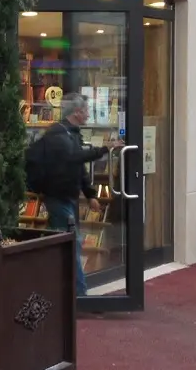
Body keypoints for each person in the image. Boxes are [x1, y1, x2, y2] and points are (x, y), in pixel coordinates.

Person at [38, 92, 123, 296]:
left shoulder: (71, 133)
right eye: (86, 110)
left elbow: (78, 167)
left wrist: (90, 194)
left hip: (67, 197)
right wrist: (104, 149)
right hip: (58, 197)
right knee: (72, 243)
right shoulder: (57, 134)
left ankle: (52, 288)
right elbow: (75, 157)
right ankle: (80, 295)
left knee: (60, 243)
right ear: (76, 112)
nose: (88, 114)